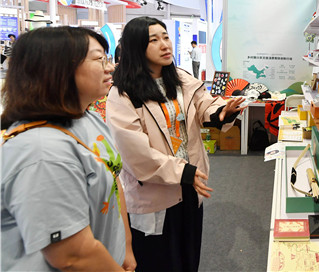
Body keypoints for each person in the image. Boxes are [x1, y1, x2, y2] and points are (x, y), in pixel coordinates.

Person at [106, 17, 245, 272]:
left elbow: (203, 103)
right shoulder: (122, 94)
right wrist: (183, 171)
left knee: (188, 257)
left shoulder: (180, 78)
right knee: (159, 261)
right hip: (155, 193)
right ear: (136, 47)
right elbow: (134, 153)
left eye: (166, 37)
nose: (164, 44)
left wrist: (222, 112)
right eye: (154, 40)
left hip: (190, 186)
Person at [1, 27, 135, 271]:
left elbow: (114, 181)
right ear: (58, 69)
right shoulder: (41, 151)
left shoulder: (87, 118)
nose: (110, 67)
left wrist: (125, 247)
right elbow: (73, 256)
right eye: (99, 59)